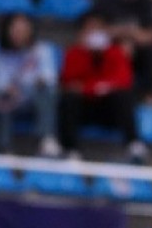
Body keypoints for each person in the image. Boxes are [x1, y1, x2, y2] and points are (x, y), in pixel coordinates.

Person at [58, 10, 146, 162]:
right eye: (90, 29)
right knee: (68, 99)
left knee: (123, 96)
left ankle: (134, 145)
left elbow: (123, 81)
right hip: (84, 109)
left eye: (98, 28)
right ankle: (70, 150)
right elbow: (69, 83)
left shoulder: (115, 53)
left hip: (108, 110)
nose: (94, 33)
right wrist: (87, 55)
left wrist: (90, 87)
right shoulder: (74, 53)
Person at [0, 13, 60, 156]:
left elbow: (49, 78)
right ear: (7, 31)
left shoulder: (42, 50)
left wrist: (30, 85)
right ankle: (4, 147)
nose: (19, 33)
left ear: (30, 30)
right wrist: (9, 89)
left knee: (47, 92)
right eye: (15, 30)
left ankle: (45, 139)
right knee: (1, 97)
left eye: (23, 29)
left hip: (34, 96)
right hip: (11, 98)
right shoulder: (0, 54)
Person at [97, 0, 152, 103]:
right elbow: (94, 30)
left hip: (136, 50)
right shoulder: (105, 0)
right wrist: (121, 37)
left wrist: (130, 36)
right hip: (109, 48)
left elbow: (151, 35)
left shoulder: (146, 3)